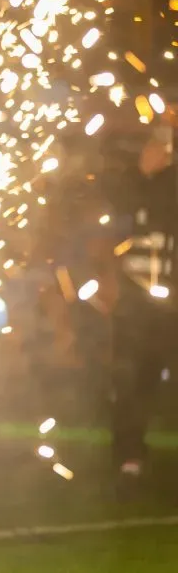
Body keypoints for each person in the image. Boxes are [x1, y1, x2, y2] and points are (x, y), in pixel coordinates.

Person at [103, 129, 177, 497]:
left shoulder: (170, 187)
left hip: (169, 306)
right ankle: (129, 460)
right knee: (131, 380)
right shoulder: (129, 186)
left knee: (151, 380)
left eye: (159, 149)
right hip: (135, 307)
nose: (151, 154)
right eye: (149, 147)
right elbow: (119, 223)